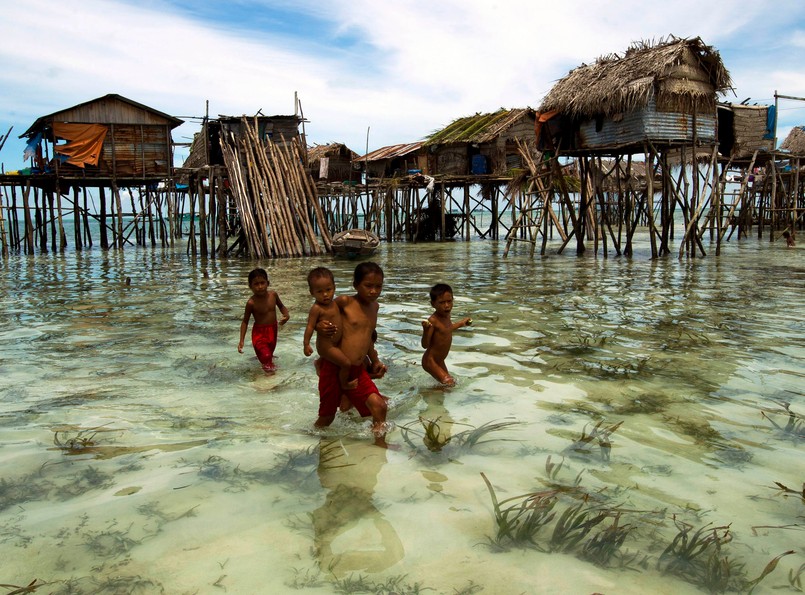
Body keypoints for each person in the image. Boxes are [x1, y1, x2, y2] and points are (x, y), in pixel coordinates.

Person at [314, 262, 391, 447]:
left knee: (379, 406)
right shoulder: (344, 302)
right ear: (355, 285)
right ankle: (314, 443)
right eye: (368, 286)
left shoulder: (375, 308)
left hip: (357, 370)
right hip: (334, 367)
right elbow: (319, 314)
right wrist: (318, 326)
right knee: (327, 418)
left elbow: (367, 338)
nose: (373, 291)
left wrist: (375, 360)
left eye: (378, 286)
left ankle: (379, 444)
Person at [303, 267, 357, 390]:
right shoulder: (317, 308)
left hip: (335, 344)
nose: (325, 294)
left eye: (328, 289)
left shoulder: (335, 303)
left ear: (334, 287)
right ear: (312, 292)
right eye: (319, 291)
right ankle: (344, 384)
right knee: (346, 364)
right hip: (327, 347)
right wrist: (306, 344)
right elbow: (310, 326)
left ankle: (319, 362)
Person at [237, 268, 289, 372]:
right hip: (259, 333)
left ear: (267, 283)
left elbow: (281, 306)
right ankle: (269, 379)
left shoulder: (273, 295)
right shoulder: (251, 303)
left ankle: (265, 364)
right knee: (266, 356)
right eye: (256, 284)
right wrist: (241, 340)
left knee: (269, 354)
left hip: (272, 331)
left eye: (262, 283)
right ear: (250, 286)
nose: (260, 287)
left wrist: (286, 315)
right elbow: (245, 321)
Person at [421, 283, 472, 387]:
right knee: (449, 383)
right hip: (430, 361)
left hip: (439, 360)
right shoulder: (433, 321)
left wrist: (461, 323)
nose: (446, 305)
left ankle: (432, 394)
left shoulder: (447, 316)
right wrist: (426, 330)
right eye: (442, 302)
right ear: (433, 304)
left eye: (449, 301)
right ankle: (426, 394)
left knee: (448, 384)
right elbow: (425, 345)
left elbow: (446, 330)